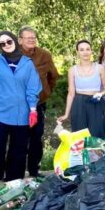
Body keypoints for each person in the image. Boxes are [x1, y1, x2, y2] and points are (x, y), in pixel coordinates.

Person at [0, 30, 42, 193]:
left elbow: (33, 87)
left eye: (9, 41)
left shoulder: (27, 63)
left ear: (15, 41)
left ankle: (14, 180)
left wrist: (33, 109)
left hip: (22, 114)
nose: (6, 45)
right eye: (2, 43)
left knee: (19, 148)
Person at [18, 26, 59, 178]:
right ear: (20, 40)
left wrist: (46, 91)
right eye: (27, 37)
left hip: (38, 104)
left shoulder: (44, 55)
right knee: (18, 137)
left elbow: (53, 76)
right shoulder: (13, 55)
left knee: (36, 137)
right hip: (18, 104)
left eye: (33, 37)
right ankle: (16, 170)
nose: (31, 40)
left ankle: (34, 170)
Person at [56, 40, 105, 138]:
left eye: (87, 49)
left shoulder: (100, 68)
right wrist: (66, 114)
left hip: (96, 103)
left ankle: (99, 153)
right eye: (82, 50)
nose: (85, 52)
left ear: (91, 51)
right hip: (79, 104)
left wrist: (100, 94)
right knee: (79, 135)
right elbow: (71, 94)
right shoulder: (72, 70)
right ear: (77, 52)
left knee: (98, 133)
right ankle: (81, 153)